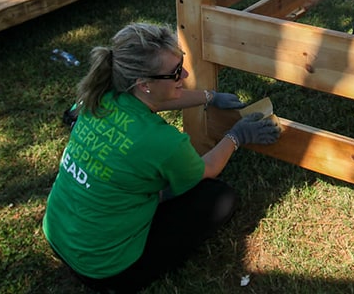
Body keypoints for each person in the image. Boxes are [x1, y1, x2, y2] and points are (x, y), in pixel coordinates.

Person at [43, 22, 280, 294]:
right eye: (176, 73)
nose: (186, 74)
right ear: (143, 84)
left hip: (59, 235)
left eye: (182, 65)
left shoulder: (99, 97)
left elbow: (157, 99)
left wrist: (208, 97)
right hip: (106, 269)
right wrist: (237, 135)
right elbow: (209, 167)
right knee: (218, 197)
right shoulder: (161, 141)